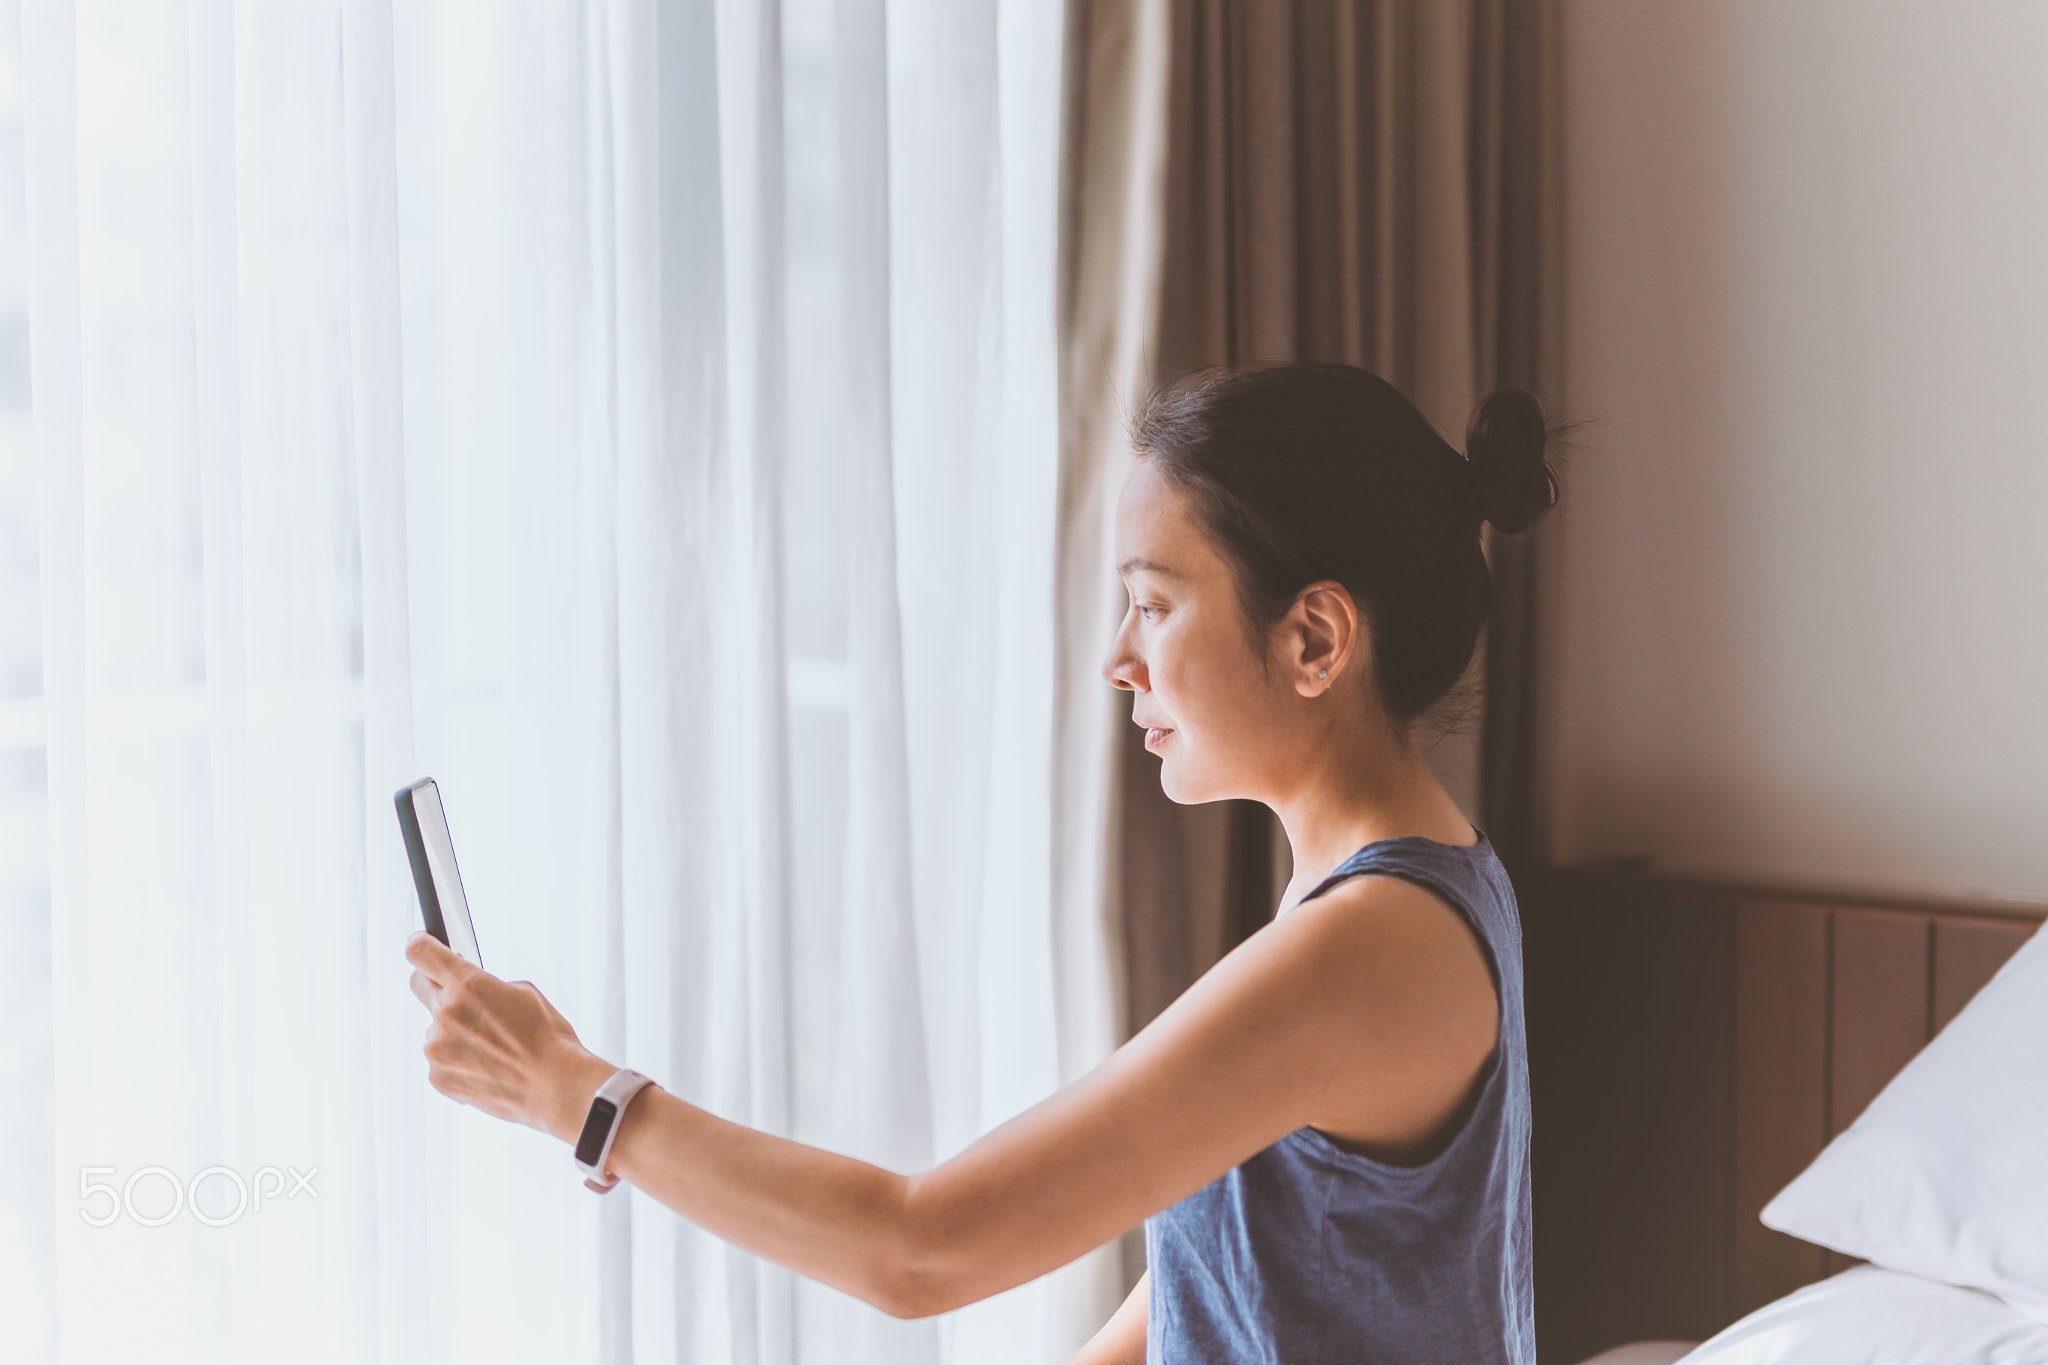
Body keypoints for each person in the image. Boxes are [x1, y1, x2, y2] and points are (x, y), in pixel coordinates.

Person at [405, 360, 1560, 1364]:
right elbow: (1232, 1272)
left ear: (1312, 639)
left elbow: (920, 1250)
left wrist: (576, 1094)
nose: (1118, 659)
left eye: (1153, 606)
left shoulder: (1365, 946)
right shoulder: (1398, 887)